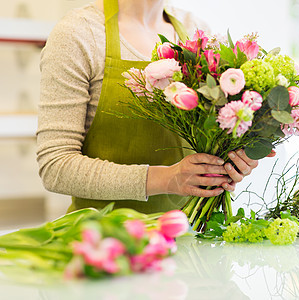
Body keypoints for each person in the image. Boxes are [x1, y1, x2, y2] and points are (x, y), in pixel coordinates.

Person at [37, 0, 273, 214]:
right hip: (105, 240)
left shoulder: (196, 31)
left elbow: (211, 138)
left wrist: (230, 161)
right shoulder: (78, 34)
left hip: (189, 236)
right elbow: (56, 166)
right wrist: (168, 179)